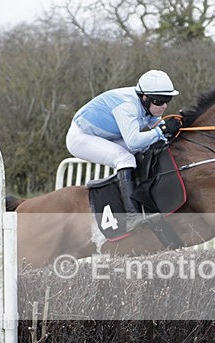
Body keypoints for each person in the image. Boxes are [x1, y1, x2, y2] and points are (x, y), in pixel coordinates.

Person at [66, 70, 182, 231]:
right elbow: (134, 142)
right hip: (81, 137)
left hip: (104, 135)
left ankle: (144, 198)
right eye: (159, 101)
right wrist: (161, 131)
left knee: (148, 146)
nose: (163, 106)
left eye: (167, 100)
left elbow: (155, 125)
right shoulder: (128, 106)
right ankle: (132, 216)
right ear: (144, 97)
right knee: (125, 158)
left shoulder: (146, 104)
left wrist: (172, 129)